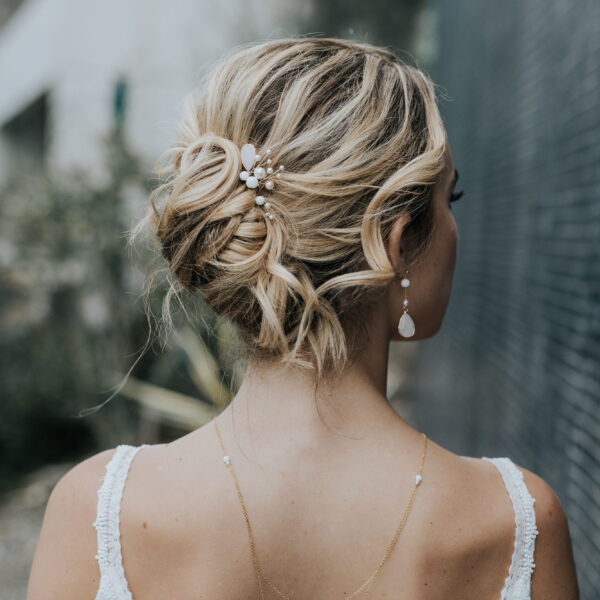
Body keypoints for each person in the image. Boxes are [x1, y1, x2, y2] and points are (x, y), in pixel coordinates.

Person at [27, 37, 579, 600]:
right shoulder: (515, 529)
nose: (456, 227)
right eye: (449, 199)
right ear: (396, 243)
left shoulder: (99, 516)